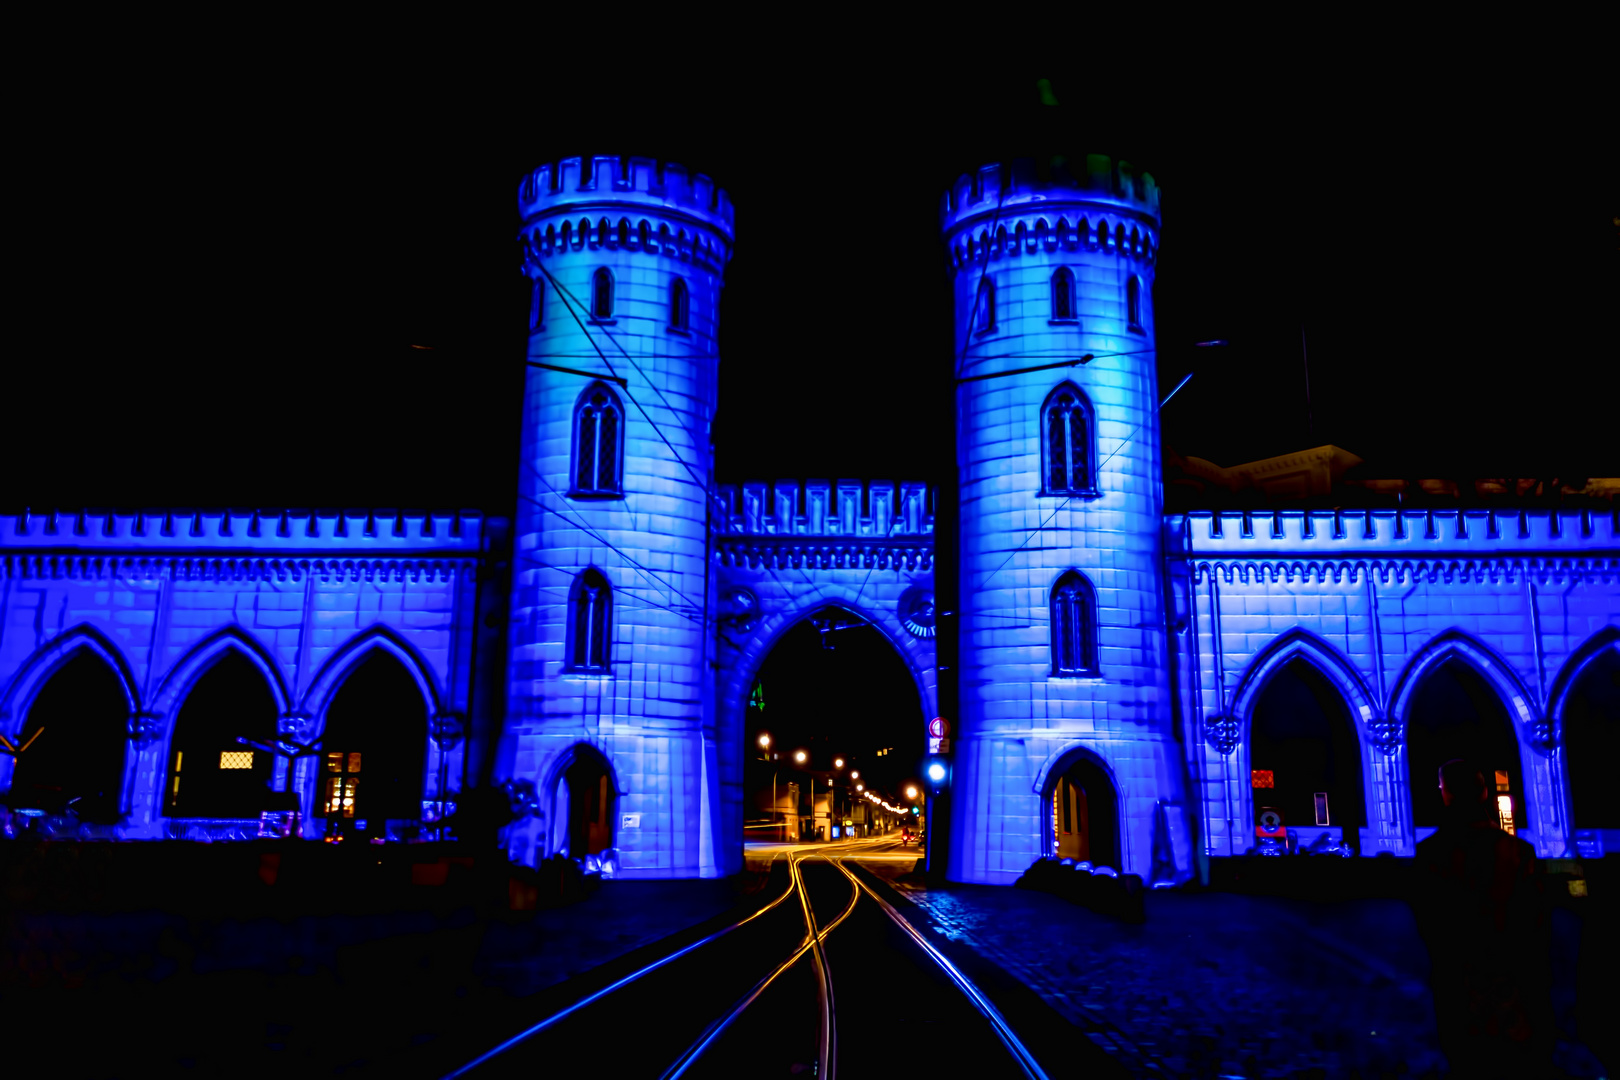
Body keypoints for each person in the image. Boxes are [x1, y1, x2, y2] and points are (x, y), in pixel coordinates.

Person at [1411, 758, 1555, 1078]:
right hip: (1512, 976)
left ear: (1446, 793)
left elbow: (1427, 922)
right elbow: (1537, 922)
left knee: (1466, 1057)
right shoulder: (1519, 852)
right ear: (1484, 792)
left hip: (1457, 976)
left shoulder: (1430, 854)